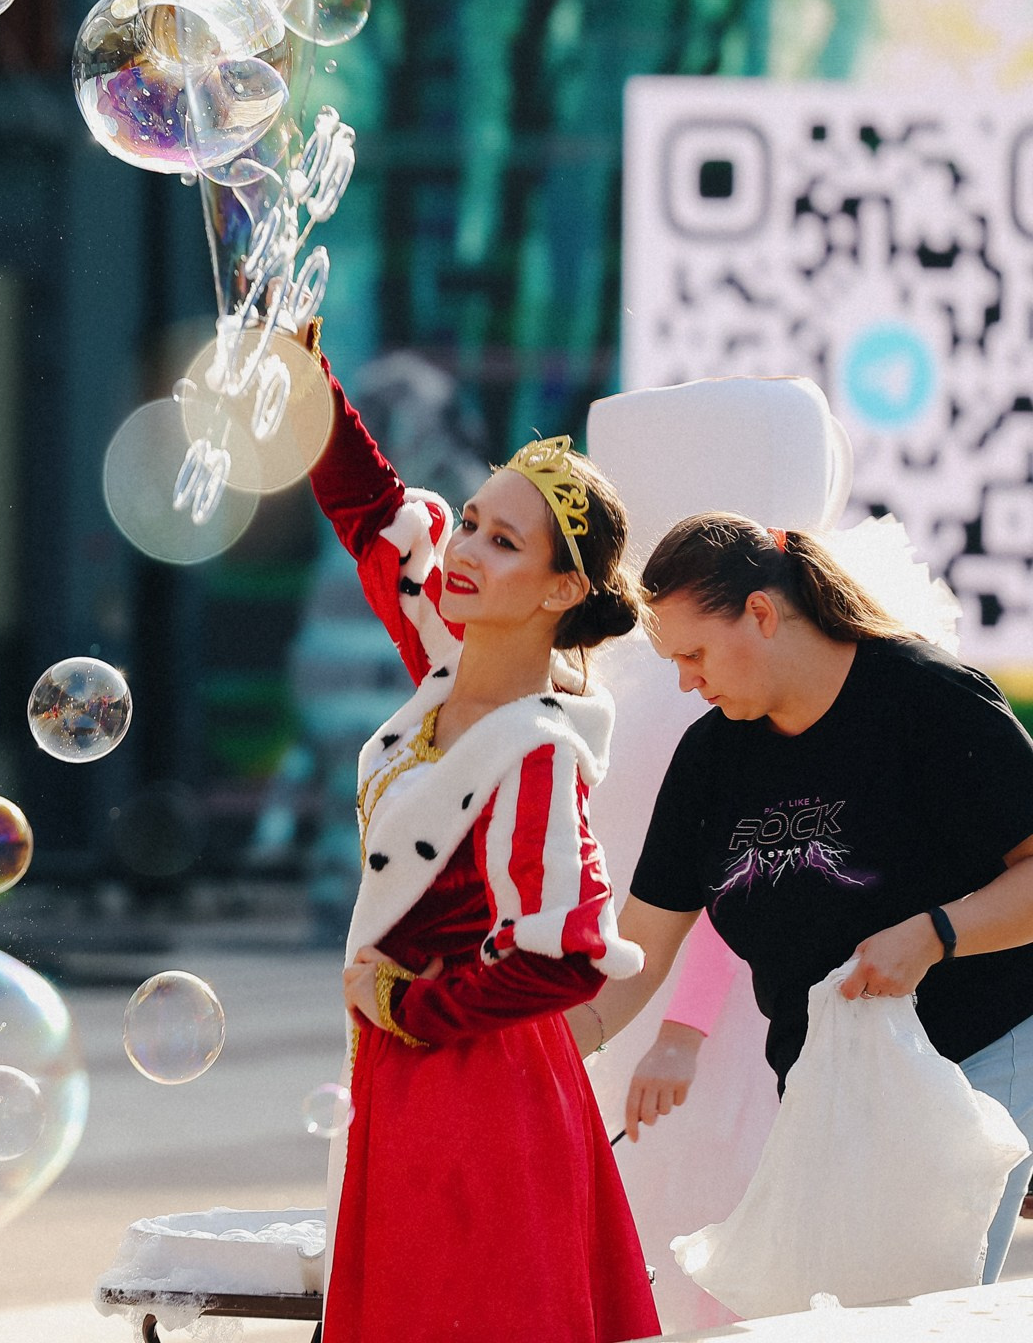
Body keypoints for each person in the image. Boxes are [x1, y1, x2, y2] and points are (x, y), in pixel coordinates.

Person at [307, 347, 657, 1342]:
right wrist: (304, 366)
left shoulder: (537, 749)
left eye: (503, 541)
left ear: (558, 592)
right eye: (469, 520)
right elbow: (371, 511)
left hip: (480, 1091)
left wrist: (412, 1007)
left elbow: (573, 949)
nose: (463, 548)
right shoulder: (445, 657)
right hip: (413, 1078)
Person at [584, 513, 1033, 1285]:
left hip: (975, 1058)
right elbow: (639, 949)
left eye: (693, 654)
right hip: (821, 1089)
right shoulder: (710, 756)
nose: (686, 681)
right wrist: (546, 1047)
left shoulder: (928, 699)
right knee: (827, 1312)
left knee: (927, 1317)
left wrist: (934, 933)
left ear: (761, 613)